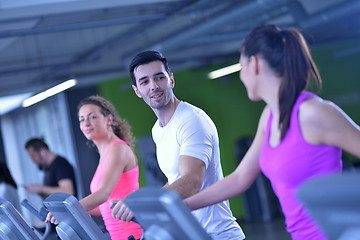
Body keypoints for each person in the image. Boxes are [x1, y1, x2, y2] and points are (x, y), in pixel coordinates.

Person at [184, 25, 360, 240]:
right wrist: (183, 206)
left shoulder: (312, 113)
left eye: (241, 67)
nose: (241, 75)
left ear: (254, 64)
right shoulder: (269, 118)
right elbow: (240, 178)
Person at [111, 51, 245, 240]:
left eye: (159, 77)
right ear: (137, 91)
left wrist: (144, 205)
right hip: (190, 234)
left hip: (218, 235)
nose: (154, 86)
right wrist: (140, 205)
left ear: (171, 80)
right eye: (145, 82)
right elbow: (176, 179)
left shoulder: (191, 120)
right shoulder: (158, 130)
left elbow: (192, 182)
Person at [46, 96, 142, 240]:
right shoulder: (105, 153)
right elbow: (106, 206)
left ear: (109, 119)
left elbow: (103, 193)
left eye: (92, 117)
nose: (86, 123)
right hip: (117, 235)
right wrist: (82, 211)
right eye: (82, 119)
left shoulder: (118, 148)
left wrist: (70, 209)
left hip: (134, 233)